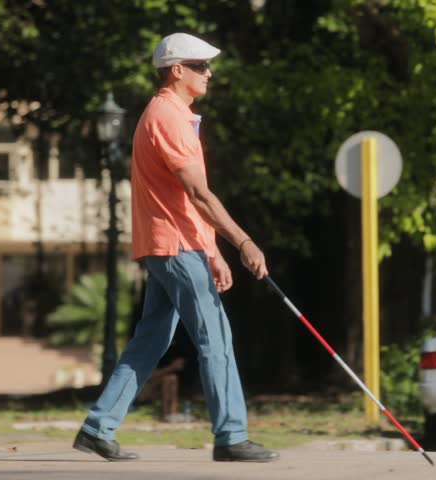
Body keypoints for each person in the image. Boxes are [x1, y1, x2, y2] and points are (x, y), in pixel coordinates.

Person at [72, 32, 279, 463]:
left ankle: (98, 427)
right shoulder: (166, 117)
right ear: (177, 70)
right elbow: (200, 195)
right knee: (215, 337)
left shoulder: (173, 116)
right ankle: (231, 436)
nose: (210, 73)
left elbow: (184, 201)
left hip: (175, 244)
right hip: (175, 246)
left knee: (151, 339)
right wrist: (242, 241)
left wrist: (214, 252)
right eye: (201, 66)